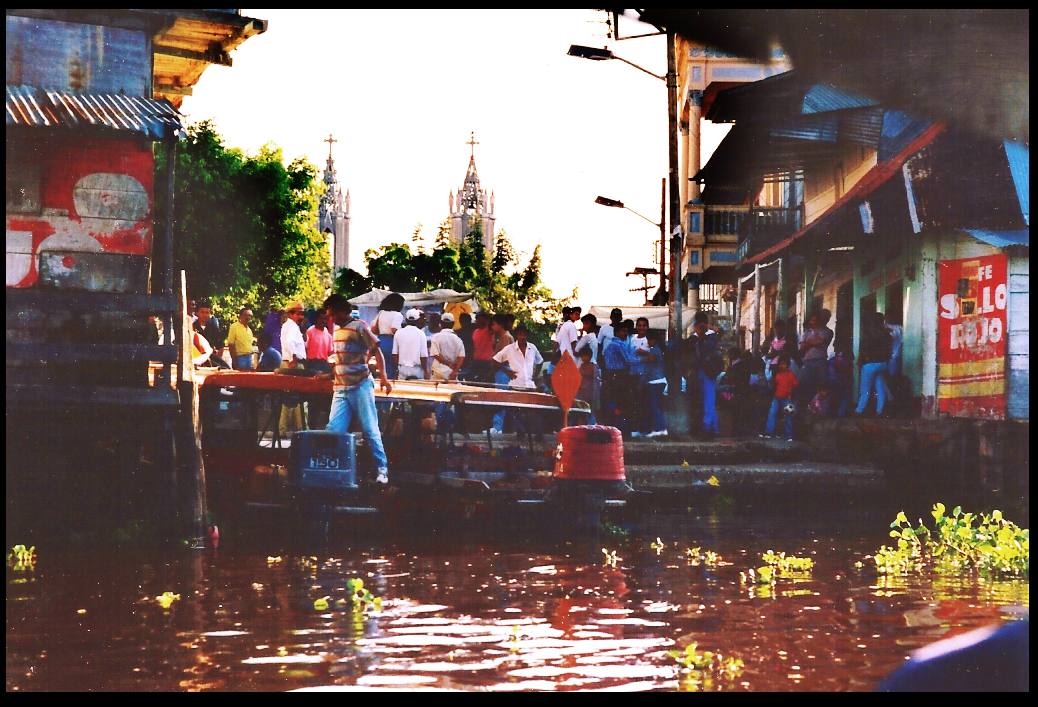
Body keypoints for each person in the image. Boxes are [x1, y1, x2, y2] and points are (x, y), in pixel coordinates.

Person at [320, 293, 392, 485]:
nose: (332, 319)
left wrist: (384, 378)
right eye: (330, 316)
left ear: (344, 311)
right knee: (334, 430)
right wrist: (329, 375)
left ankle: (381, 469)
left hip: (360, 385)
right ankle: (333, 470)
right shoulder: (336, 332)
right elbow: (341, 361)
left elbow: (377, 351)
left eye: (334, 314)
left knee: (369, 429)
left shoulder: (360, 326)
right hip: (340, 388)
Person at [687, 311, 724, 437]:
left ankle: (708, 427)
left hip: (709, 370)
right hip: (701, 371)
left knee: (709, 400)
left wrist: (706, 328)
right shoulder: (695, 337)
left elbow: (721, 331)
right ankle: (713, 428)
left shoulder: (711, 335)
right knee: (706, 400)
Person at [601, 319, 639, 434]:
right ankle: (624, 428)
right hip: (620, 376)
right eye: (623, 331)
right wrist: (644, 360)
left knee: (613, 402)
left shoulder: (608, 345)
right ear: (617, 332)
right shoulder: (619, 344)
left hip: (609, 375)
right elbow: (628, 360)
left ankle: (614, 427)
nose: (625, 333)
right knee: (623, 402)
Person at [855, 311, 893, 417]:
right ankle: (879, 411)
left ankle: (859, 411)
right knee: (880, 387)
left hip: (869, 365)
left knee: (865, 390)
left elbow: (863, 350)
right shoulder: (886, 333)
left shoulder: (868, 333)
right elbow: (890, 349)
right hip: (882, 364)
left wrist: (860, 362)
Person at [798, 309, 834, 413]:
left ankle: (821, 410)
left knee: (821, 385)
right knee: (809, 385)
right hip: (808, 361)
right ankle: (810, 409)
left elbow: (822, 341)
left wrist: (808, 342)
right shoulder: (806, 333)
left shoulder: (827, 331)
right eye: (813, 320)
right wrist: (814, 342)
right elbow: (802, 347)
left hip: (820, 361)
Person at [486, 314, 516, 434]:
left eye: (494, 324)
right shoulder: (504, 337)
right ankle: (505, 426)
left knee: (501, 397)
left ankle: (497, 426)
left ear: (500, 325)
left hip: (503, 370)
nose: (492, 327)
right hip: (502, 370)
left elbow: (503, 358)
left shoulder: (505, 337)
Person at [639, 329, 668, 438]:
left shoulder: (655, 351)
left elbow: (648, 369)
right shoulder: (657, 350)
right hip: (658, 380)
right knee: (653, 405)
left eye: (650, 339)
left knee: (654, 406)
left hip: (654, 381)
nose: (648, 341)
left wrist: (641, 381)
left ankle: (660, 428)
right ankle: (657, 428)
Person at [762, 354, 798, 440]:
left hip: (786, 399)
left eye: (784, 364)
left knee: (788, 416)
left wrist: (791, 391)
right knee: (772, 413)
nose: (782, 366)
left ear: (788, 365)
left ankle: (789, 434)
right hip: (777, 398)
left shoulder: (791, 375)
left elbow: (796, 385)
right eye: (780, 364)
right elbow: (776, 386)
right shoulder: (778, 375)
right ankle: (768, 432)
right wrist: (772, 382)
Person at [373, 293, 404, 381]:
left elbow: (373, 329)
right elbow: (394, 328)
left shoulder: (381, 313)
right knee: (392, 365)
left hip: (380, 340)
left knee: (381, 364)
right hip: (391, 341)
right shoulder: (398, 315)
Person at [393, 308, 429, 380]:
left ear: (406, 320)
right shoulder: (421, 334)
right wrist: (425, 372)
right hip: (417, 370)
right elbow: (423, 356)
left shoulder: (398, 333)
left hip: (402, 369)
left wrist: (396, 371)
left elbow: (395, 354)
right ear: (418, 320)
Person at [430, 312, 465, 381]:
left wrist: (448, 363)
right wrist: (454, 372)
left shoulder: (436, 337)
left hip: (438, 372)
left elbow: (435, 354)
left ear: (441, 323)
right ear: (453, 324)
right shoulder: (457, 339)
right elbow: (462, 357)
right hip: (451, 372)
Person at [193, 302, 227, 367]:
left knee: (225, 368)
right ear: (197, 313)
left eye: (207, 312)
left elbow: (220, 346)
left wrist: (217, 357)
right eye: (202, 312)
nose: (205, 315)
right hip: (196, 359)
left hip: (211, 358)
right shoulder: (192, 326)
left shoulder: (213, 328)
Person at [576, 345, 601, 425]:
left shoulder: (595, 367)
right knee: (582, 414)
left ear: (590, 356)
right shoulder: (579, 369)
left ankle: (598, 427)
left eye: (586, 356)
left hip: (594, 394)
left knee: (596, 412)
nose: (584, 358)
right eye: (582, 356)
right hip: (583, 395)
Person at [468, 311, 495, 383]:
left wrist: (489, 316)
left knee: (486, 383)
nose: (480, 320)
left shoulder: (489, 330)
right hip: (476, 361)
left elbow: (491, 323)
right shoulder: (475, 331)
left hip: (487, 362)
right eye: (478, 318)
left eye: (483, 318)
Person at [305, 308, 333, 375]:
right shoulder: (310, 332)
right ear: (317, 319)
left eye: (325, 319)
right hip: (312, 364)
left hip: (325, 364)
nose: (323, 321)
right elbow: (305, 349)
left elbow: (330, 352)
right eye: (321, 318)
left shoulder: (328, 334)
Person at [280, 301, 308, 370]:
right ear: (290, 314)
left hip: (290, 362)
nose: (301, 317)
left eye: (302, 314)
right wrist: (293, 358)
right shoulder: (292, 326)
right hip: (294, 364)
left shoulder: (289, 325)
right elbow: (290, 341)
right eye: (298, 314)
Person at [828, 345, 854, 417]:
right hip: (842, 382)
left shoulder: (834, 359)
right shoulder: (847, 363)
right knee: (845, 397)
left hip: (833, 381)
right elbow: (849, 377)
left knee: (833, 397)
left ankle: (831, 413)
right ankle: (840, 413)